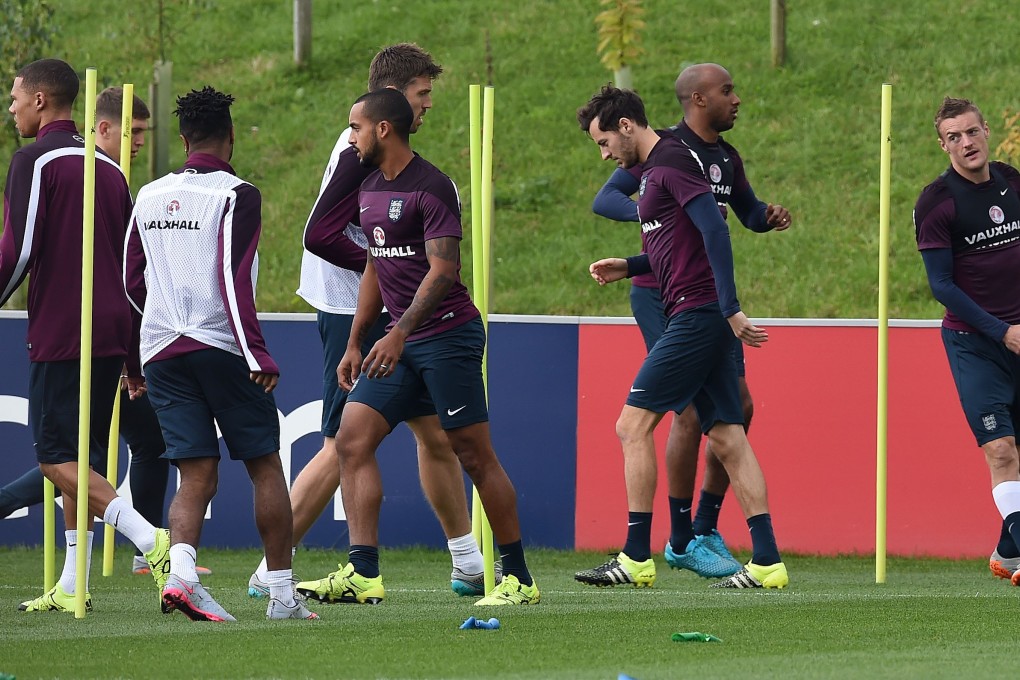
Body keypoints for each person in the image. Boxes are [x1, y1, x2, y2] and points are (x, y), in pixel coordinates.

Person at [260, 43, 497, 602]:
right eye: (423, 95)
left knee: (433, 436)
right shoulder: (356, 152)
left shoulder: (395, 161)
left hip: (393, 312)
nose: (429, 106)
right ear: (393, 103)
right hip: (353, 310)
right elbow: (319, 234)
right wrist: (386, 263)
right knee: (341, 440)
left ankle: (466, 561)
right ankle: (272, 569)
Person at [297, 89, 540, 606]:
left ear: (383, 129)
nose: (351, 136)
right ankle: (364, 573)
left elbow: (444, 269)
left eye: (356, 127)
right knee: (351, 440)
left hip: (447, 337)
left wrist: (399, 331)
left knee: (472, 454)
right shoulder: (366, 187)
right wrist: (357, 340)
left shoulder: (431, 187)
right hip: (396, 341)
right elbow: (374, 266)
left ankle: (518, 577)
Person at [574, 84, 788, 589]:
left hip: (697, 314)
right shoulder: (659, 169)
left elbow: (716, 228)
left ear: (626, 126)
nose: (605, 154)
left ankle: (635, 557)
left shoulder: (667, 163)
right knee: (729, 435)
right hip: (699, 310)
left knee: (631, 427)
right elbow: (680, 245)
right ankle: (768, 562)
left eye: (604, 143)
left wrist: (731, 310)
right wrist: (629, 266)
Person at [0, 86, 212, 578]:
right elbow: (131, 272)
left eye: (14, 97)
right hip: (111, 330)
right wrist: (133, 357)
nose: (10, 107)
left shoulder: (34, 161)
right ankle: (74, 582)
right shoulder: (113, 172)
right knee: (83, 458)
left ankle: (150, 538)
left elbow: (19, 248)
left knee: (57, 460)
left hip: (62, 327)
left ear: (40, 99)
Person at [124, 86, 315, 621]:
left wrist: (137, 354)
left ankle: (181, 577)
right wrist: (256, 352)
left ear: (183, 141)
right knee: (264, 465)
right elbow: (233, 281)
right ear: (231, 137)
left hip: (160, 349)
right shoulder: (237, 194)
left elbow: (129, 281)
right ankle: (281, 596)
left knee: (195, 474)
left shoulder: (148, 194)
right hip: (221, 345)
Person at [914, 96, 1020, 584]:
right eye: (953, 137)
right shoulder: (937, 202)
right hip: (975, 344)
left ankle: (1007, 552)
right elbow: (942, 286)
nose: (966, 143)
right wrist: (1001, 331)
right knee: (1000, 451)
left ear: (986, 131)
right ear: (943, 146)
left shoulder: (1013, 182)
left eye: (971, 132)